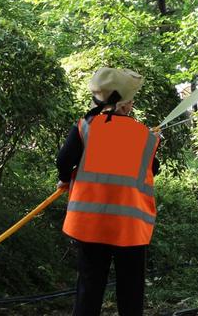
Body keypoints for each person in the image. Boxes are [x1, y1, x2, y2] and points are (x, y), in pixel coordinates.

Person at [56, 67, 161, 316]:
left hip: (90, 225)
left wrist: (64, 180)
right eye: (131, 100)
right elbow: (152, 170)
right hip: (131, 229)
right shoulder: (145, 136)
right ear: (123, 106)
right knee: (131, 290)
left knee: (89, 288)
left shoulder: (86, 127)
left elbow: (63, 160)